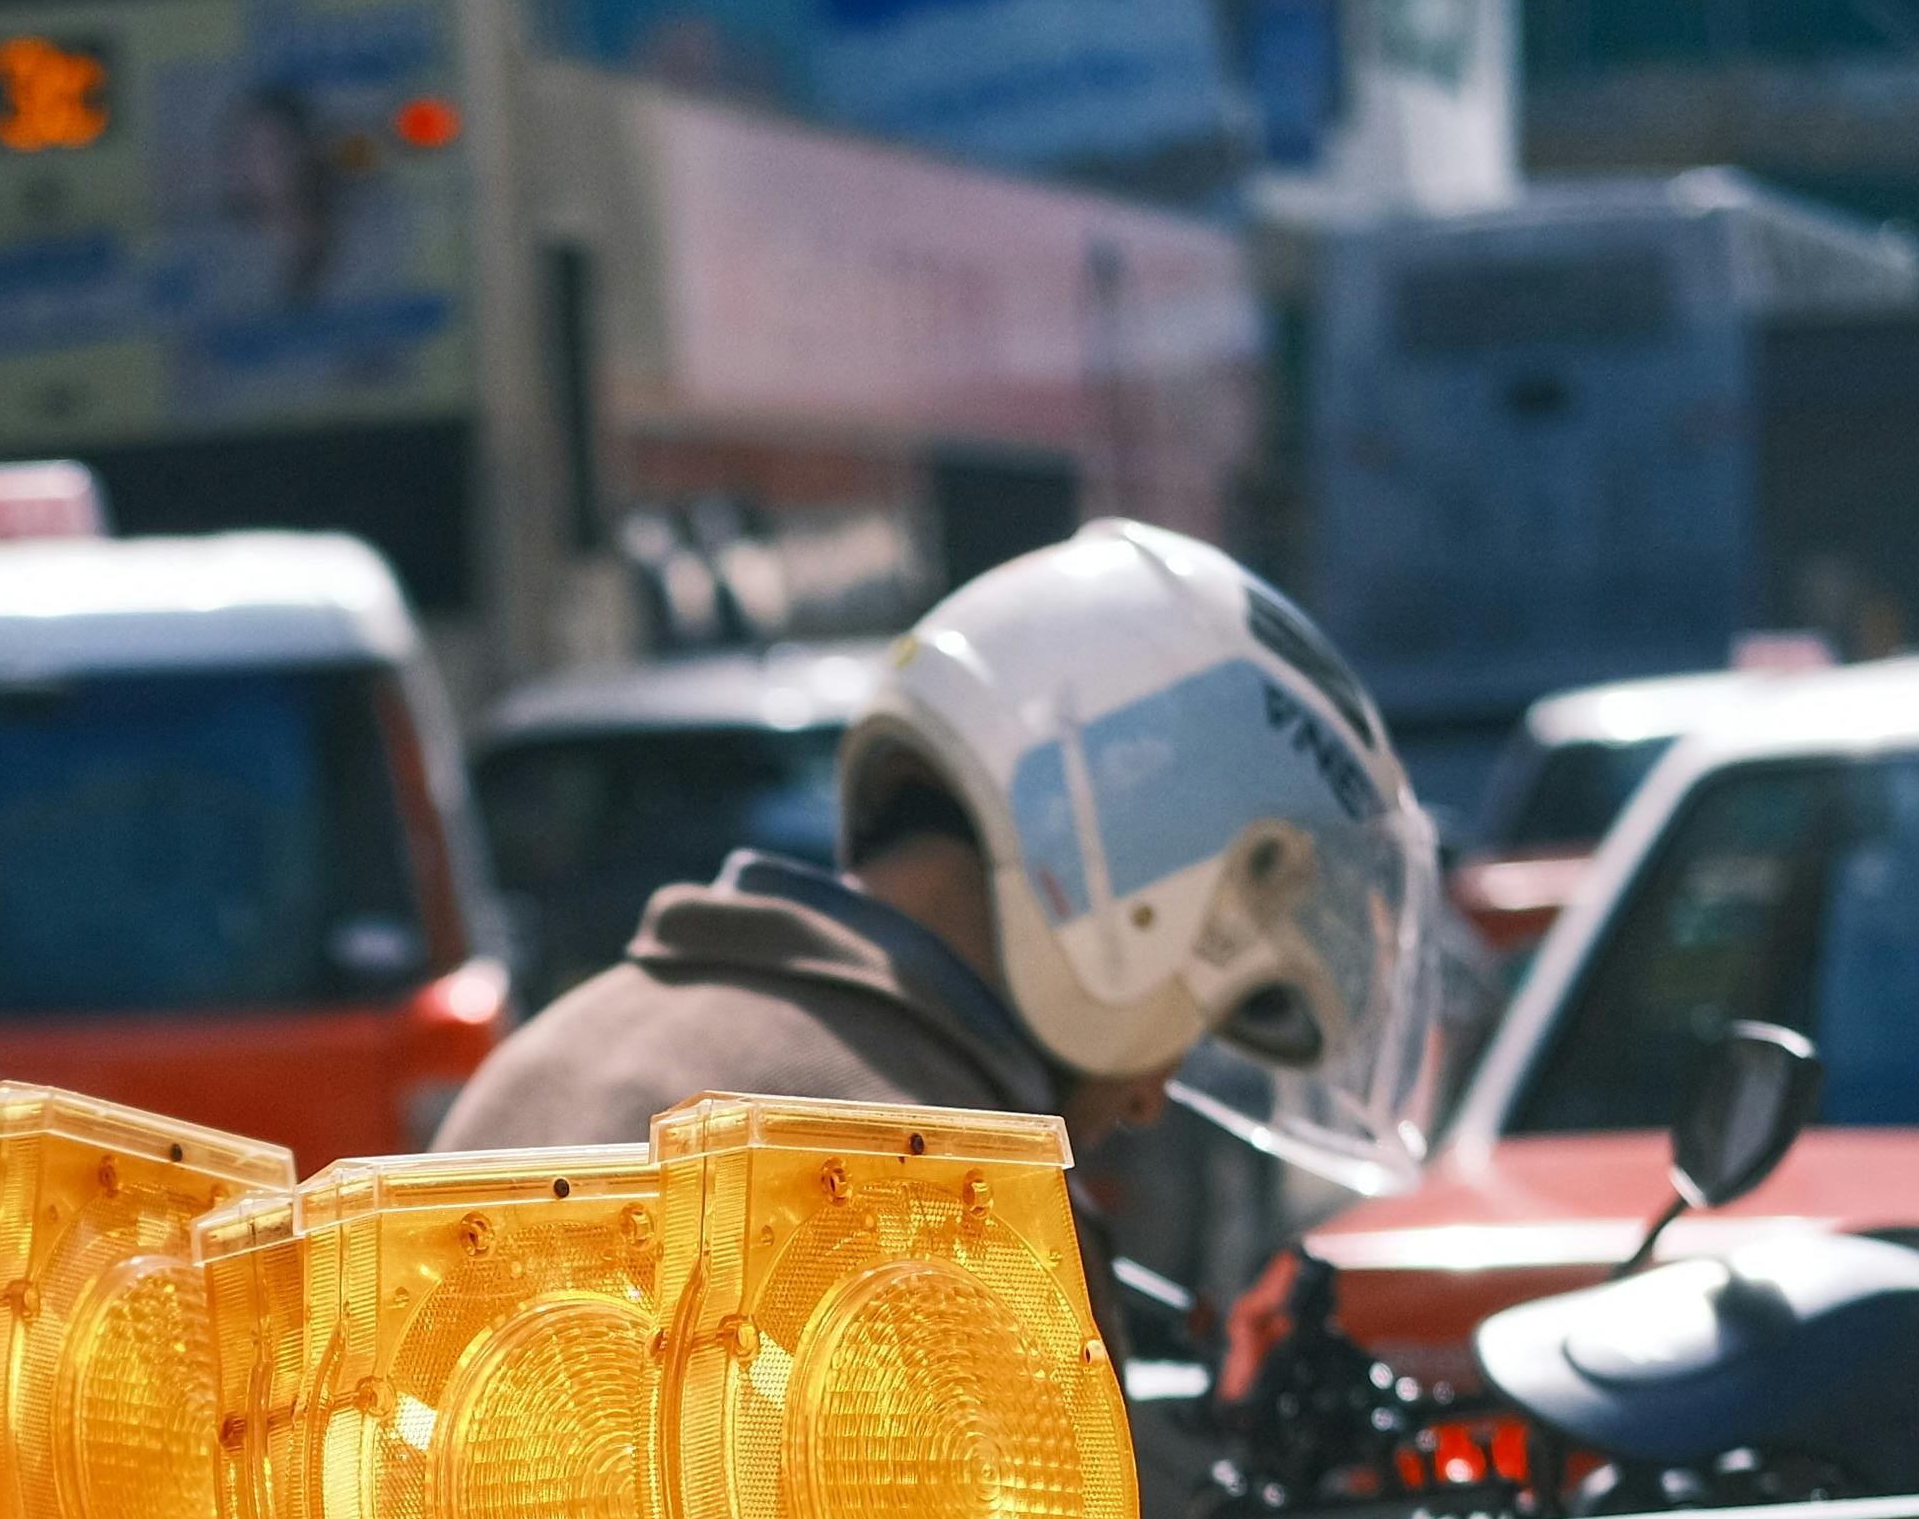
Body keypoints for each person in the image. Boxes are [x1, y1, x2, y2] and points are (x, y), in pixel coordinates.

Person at [434, 516, 1463, 1204]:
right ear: (1138, 890)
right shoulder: (948, 1179)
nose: (1152, 1094)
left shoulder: (542, 1062)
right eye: (1194, 1014)